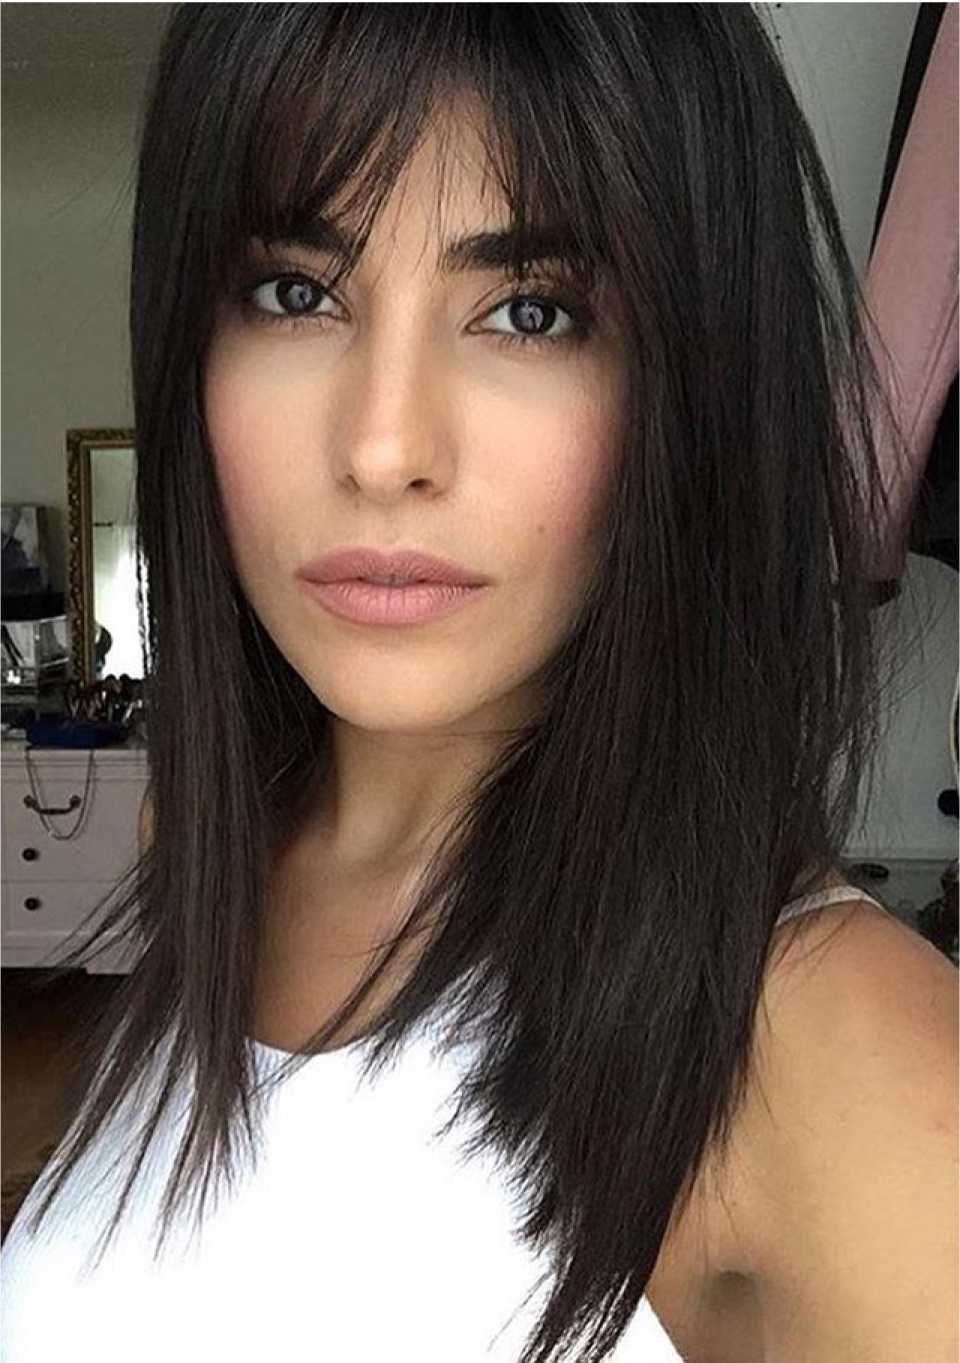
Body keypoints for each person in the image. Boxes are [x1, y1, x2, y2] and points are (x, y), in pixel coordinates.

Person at [2, 7, 956, 1362]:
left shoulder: (831, 1046)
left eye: (530, 312)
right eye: (295, 292)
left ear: (694, 389)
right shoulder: (211, 844)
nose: (383, 445)